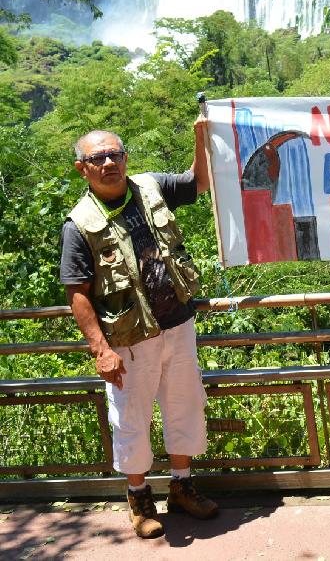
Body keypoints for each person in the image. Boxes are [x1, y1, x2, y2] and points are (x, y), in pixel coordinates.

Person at [60, 118, 218, 538]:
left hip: (178, 324)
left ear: (126, 158)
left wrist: (201, 136)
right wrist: (100, 349)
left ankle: (183, 487)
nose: (110, 162)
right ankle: (139, 498)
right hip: (129, 340)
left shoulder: (151, 186)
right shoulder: (78, 225)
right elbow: (78, 292)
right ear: (83, 169)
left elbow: (199, 181)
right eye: (98, 158)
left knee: (184, 406)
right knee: (131, 419)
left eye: (116, 154)